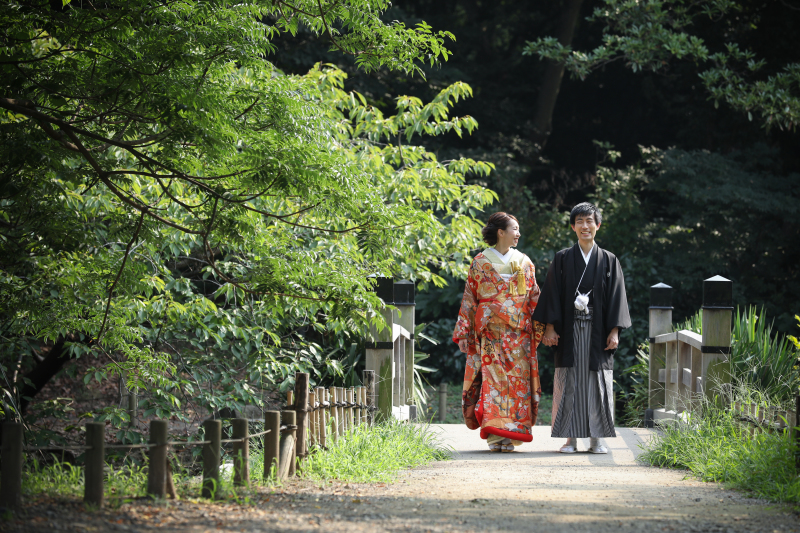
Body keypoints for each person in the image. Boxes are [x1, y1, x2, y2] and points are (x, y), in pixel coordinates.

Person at [532, 202, 631, 454]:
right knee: (570, 381)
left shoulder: (609, 260)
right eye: (580, 222)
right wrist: (549, 327)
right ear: (573, 226)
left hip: (599, 331)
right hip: (569, 330)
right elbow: (552, 293)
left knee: (598, 381)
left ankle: (598, 438)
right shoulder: (563, 258)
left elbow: (617, 298)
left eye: (589, 221)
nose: (585, 226)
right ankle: (571, 439)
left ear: (598, 225)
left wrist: (615, 331)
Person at [453, 212, 545, 452]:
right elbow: (470, 299)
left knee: (517, 384)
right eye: (514, 229)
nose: (518, 234)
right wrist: (464, 332)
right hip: (491, 333)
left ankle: (512, 434)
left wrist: (544, 327)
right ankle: (495, 434)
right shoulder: (480, 261)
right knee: (493, 382)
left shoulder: (525, 262)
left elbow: (533, 297)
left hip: (519, 335)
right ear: (500, 232)